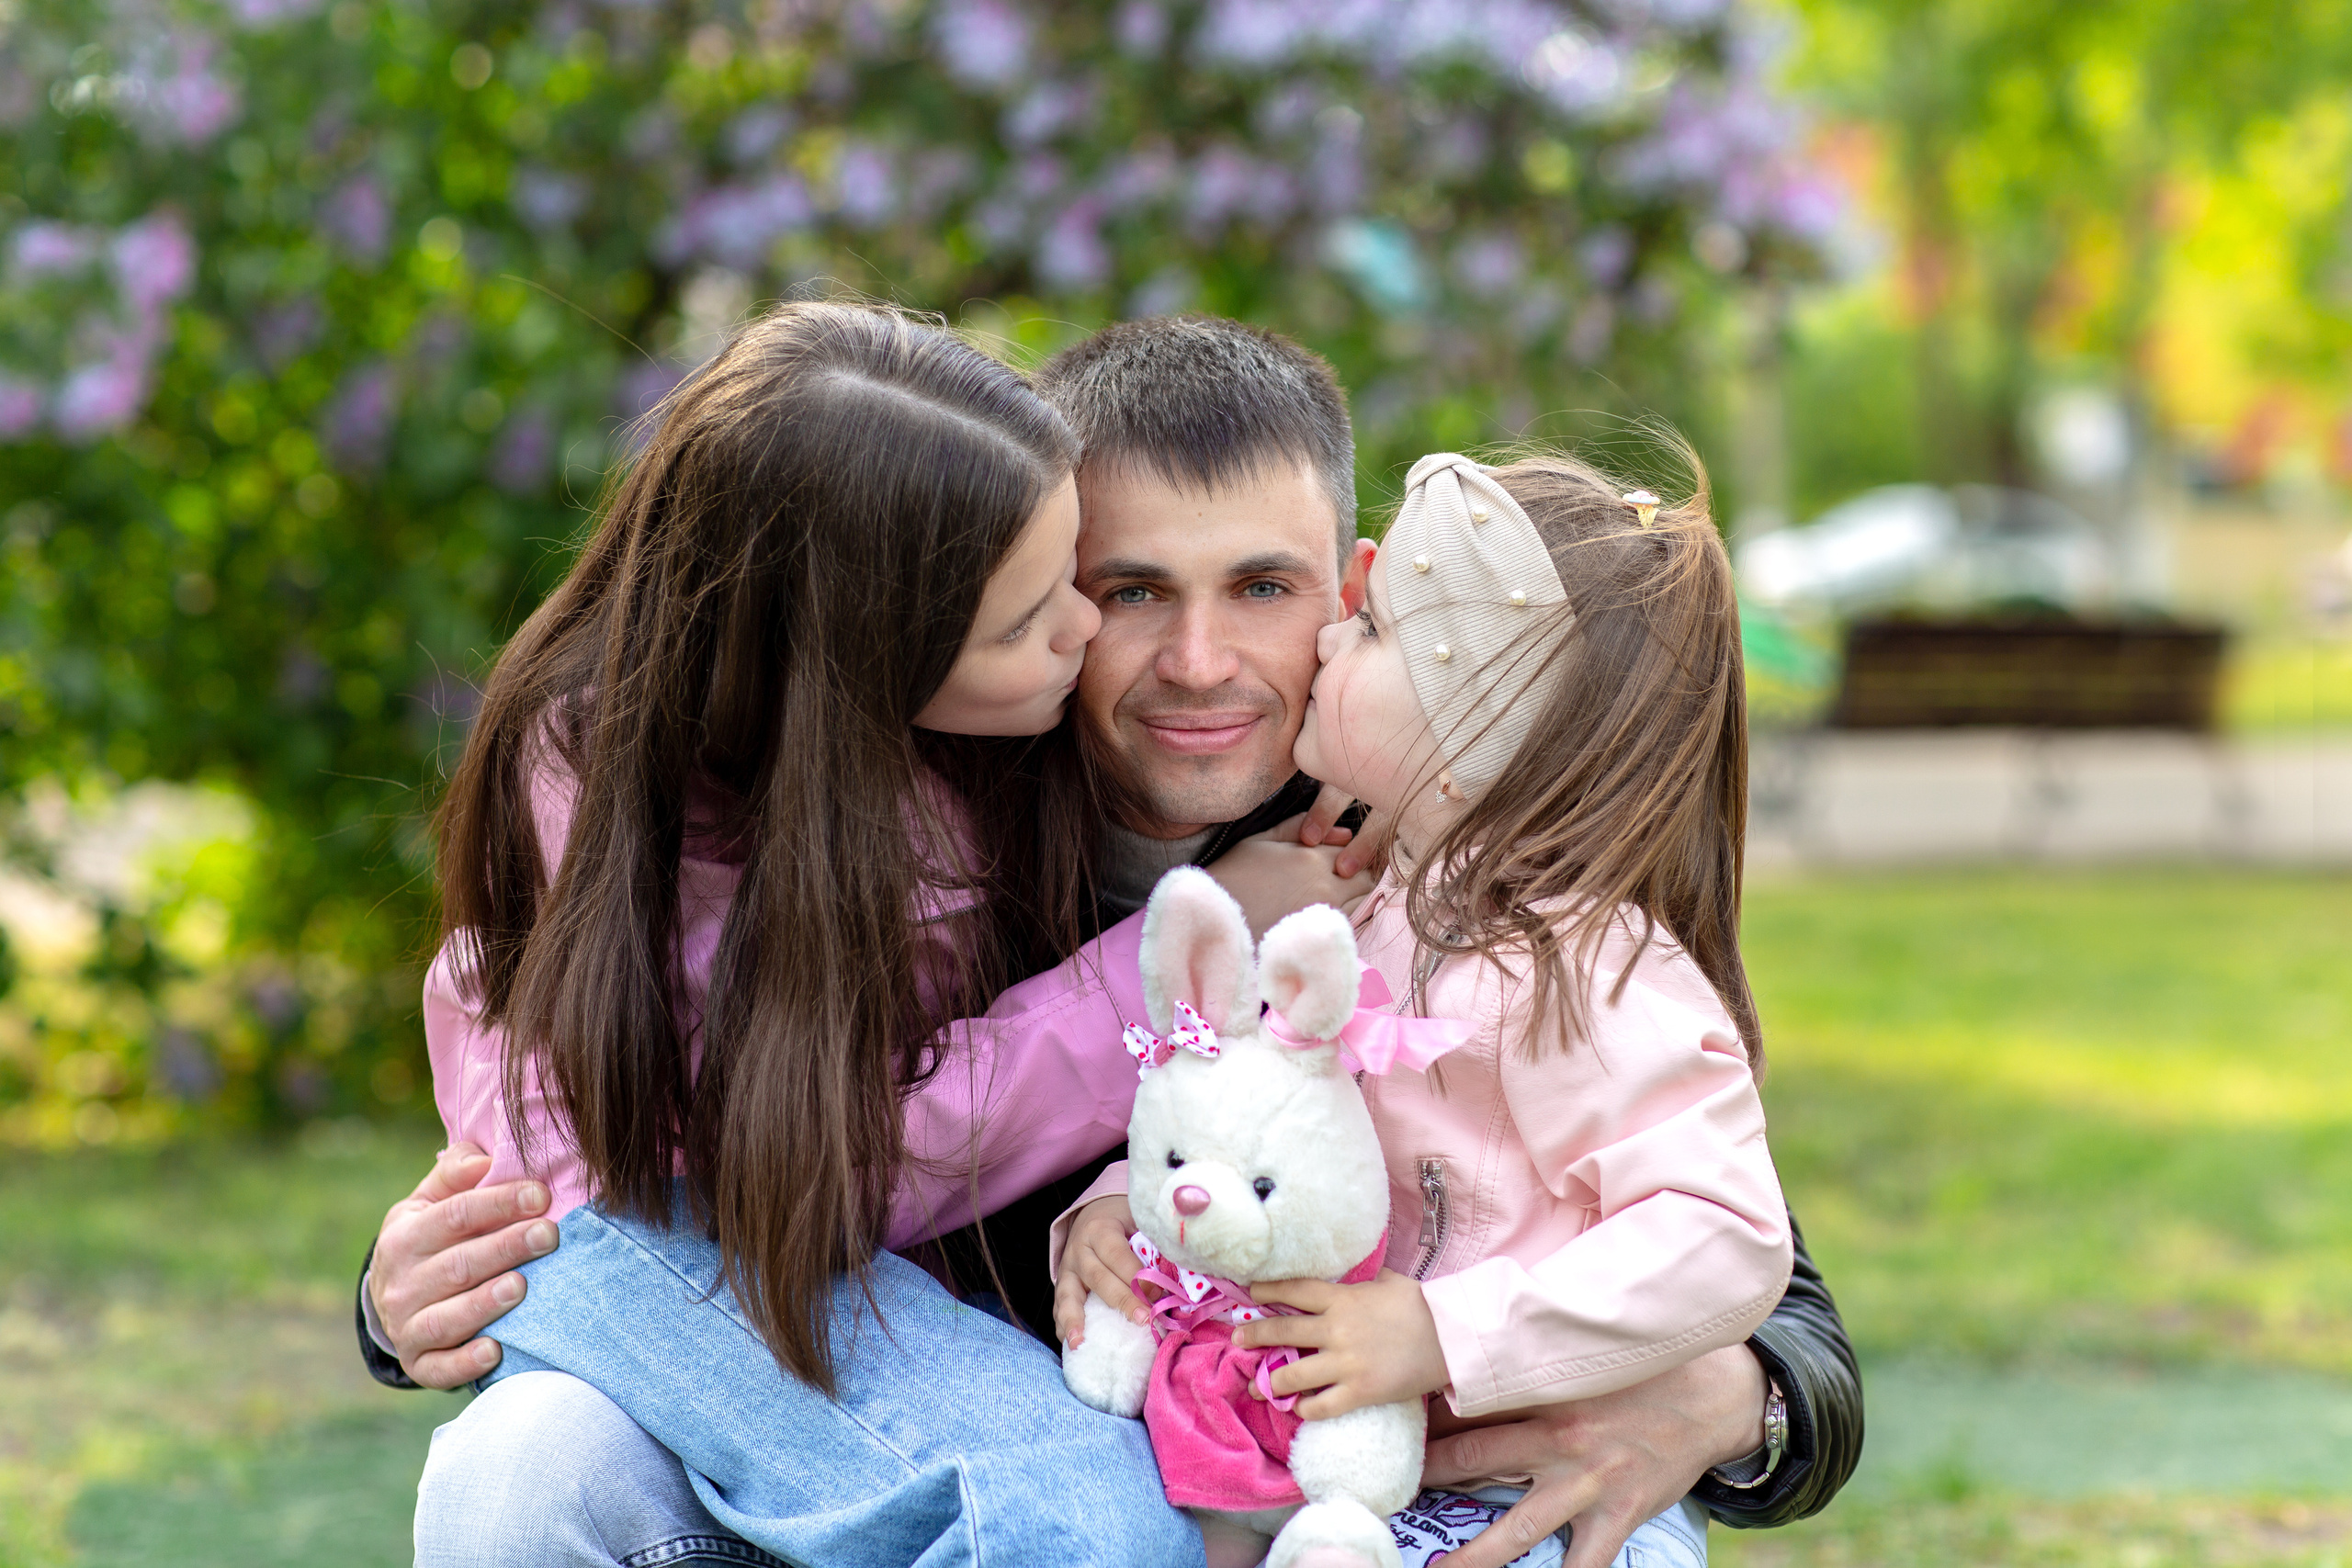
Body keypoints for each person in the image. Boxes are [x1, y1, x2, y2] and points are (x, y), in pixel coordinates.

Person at [373, 315, 1860, 1564]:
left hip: (1360, 1464)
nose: (1196, 662)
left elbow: (1736, 1241)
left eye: (1261, 590)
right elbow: (644, 1100)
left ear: (1351, 591)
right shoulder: (908, 806)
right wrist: (412, 1301)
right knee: (528, 1456)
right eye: (1125, 590)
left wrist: (1745, 1396)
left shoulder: (1433, 847)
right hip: (969, 1474)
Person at [1053, 447, 1793, 1568]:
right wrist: (1124, 1208)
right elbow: (1271, 1122)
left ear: (1473, 747)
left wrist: (1446, 1333)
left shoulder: (1581, 962)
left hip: (1525, 1498)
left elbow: (1723, 1234)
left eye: (1378, 631)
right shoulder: (1360, 906)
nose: (1328, 640)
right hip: (1346, 1475)